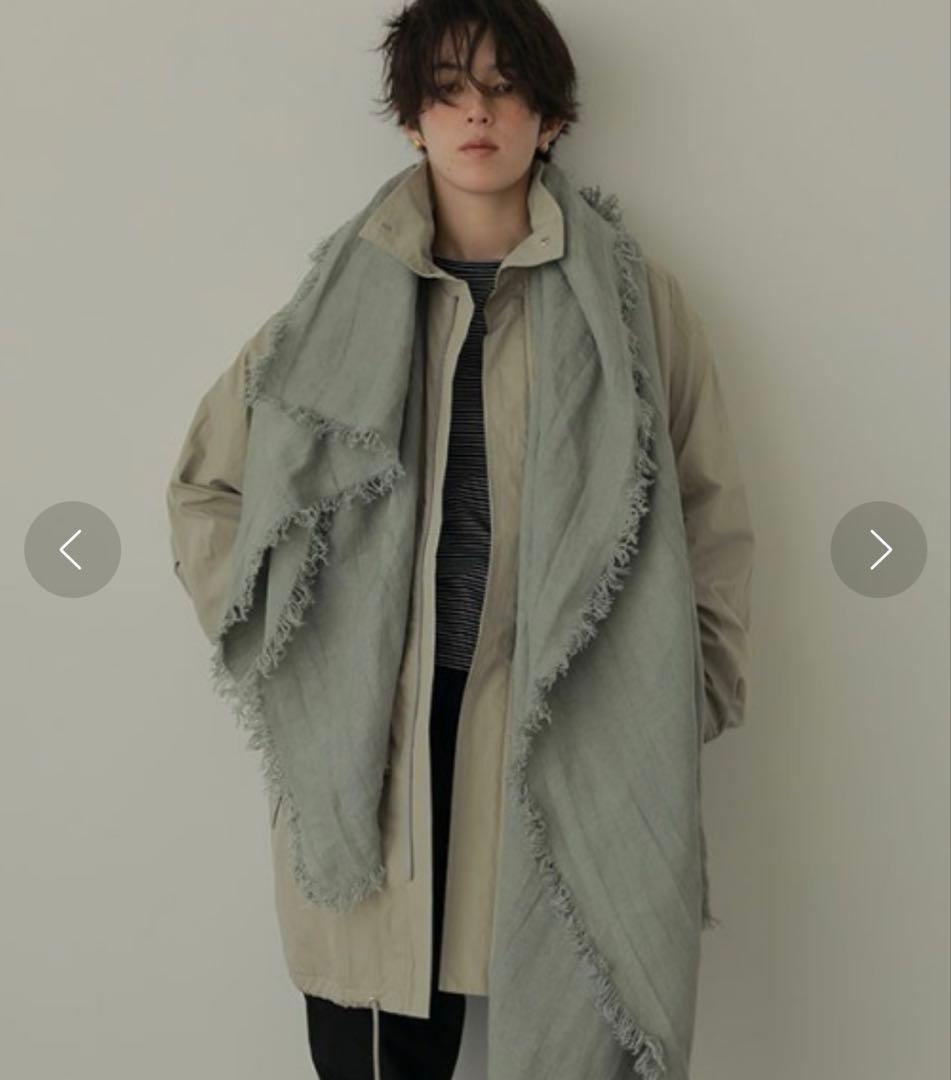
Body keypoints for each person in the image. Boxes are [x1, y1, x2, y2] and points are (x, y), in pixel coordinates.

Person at [166, 3, 755, 1078]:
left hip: (562, 710)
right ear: (412, 121)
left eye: (503, 87)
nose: (475, 113)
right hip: (376, 728)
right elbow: (208, 488)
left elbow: (708, 514)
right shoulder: (332, 305)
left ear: (551, 117)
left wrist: (689, 691)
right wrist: (291, 645)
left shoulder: (638, 308)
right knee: (378, 1030)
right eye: (446, 90)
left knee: (581, 1003)